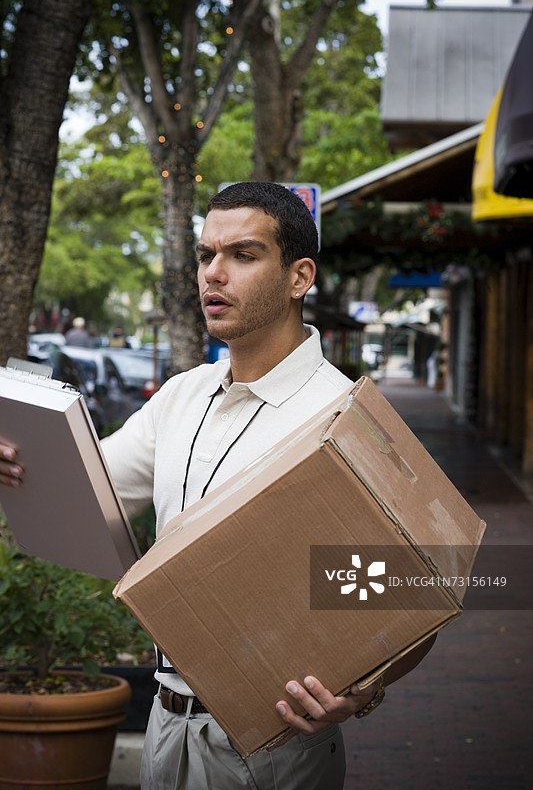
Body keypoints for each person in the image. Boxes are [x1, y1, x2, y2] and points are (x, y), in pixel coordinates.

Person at [0, 182, 434, 789]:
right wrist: (20, 455)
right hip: (163, 727)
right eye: (206, 255)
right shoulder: (180, 395)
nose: (214, 275)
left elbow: (415, 588)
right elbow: (88, 488)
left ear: (299, 276)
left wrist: (363, 690)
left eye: (244, 255)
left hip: (274, 745)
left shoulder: (343, 415)